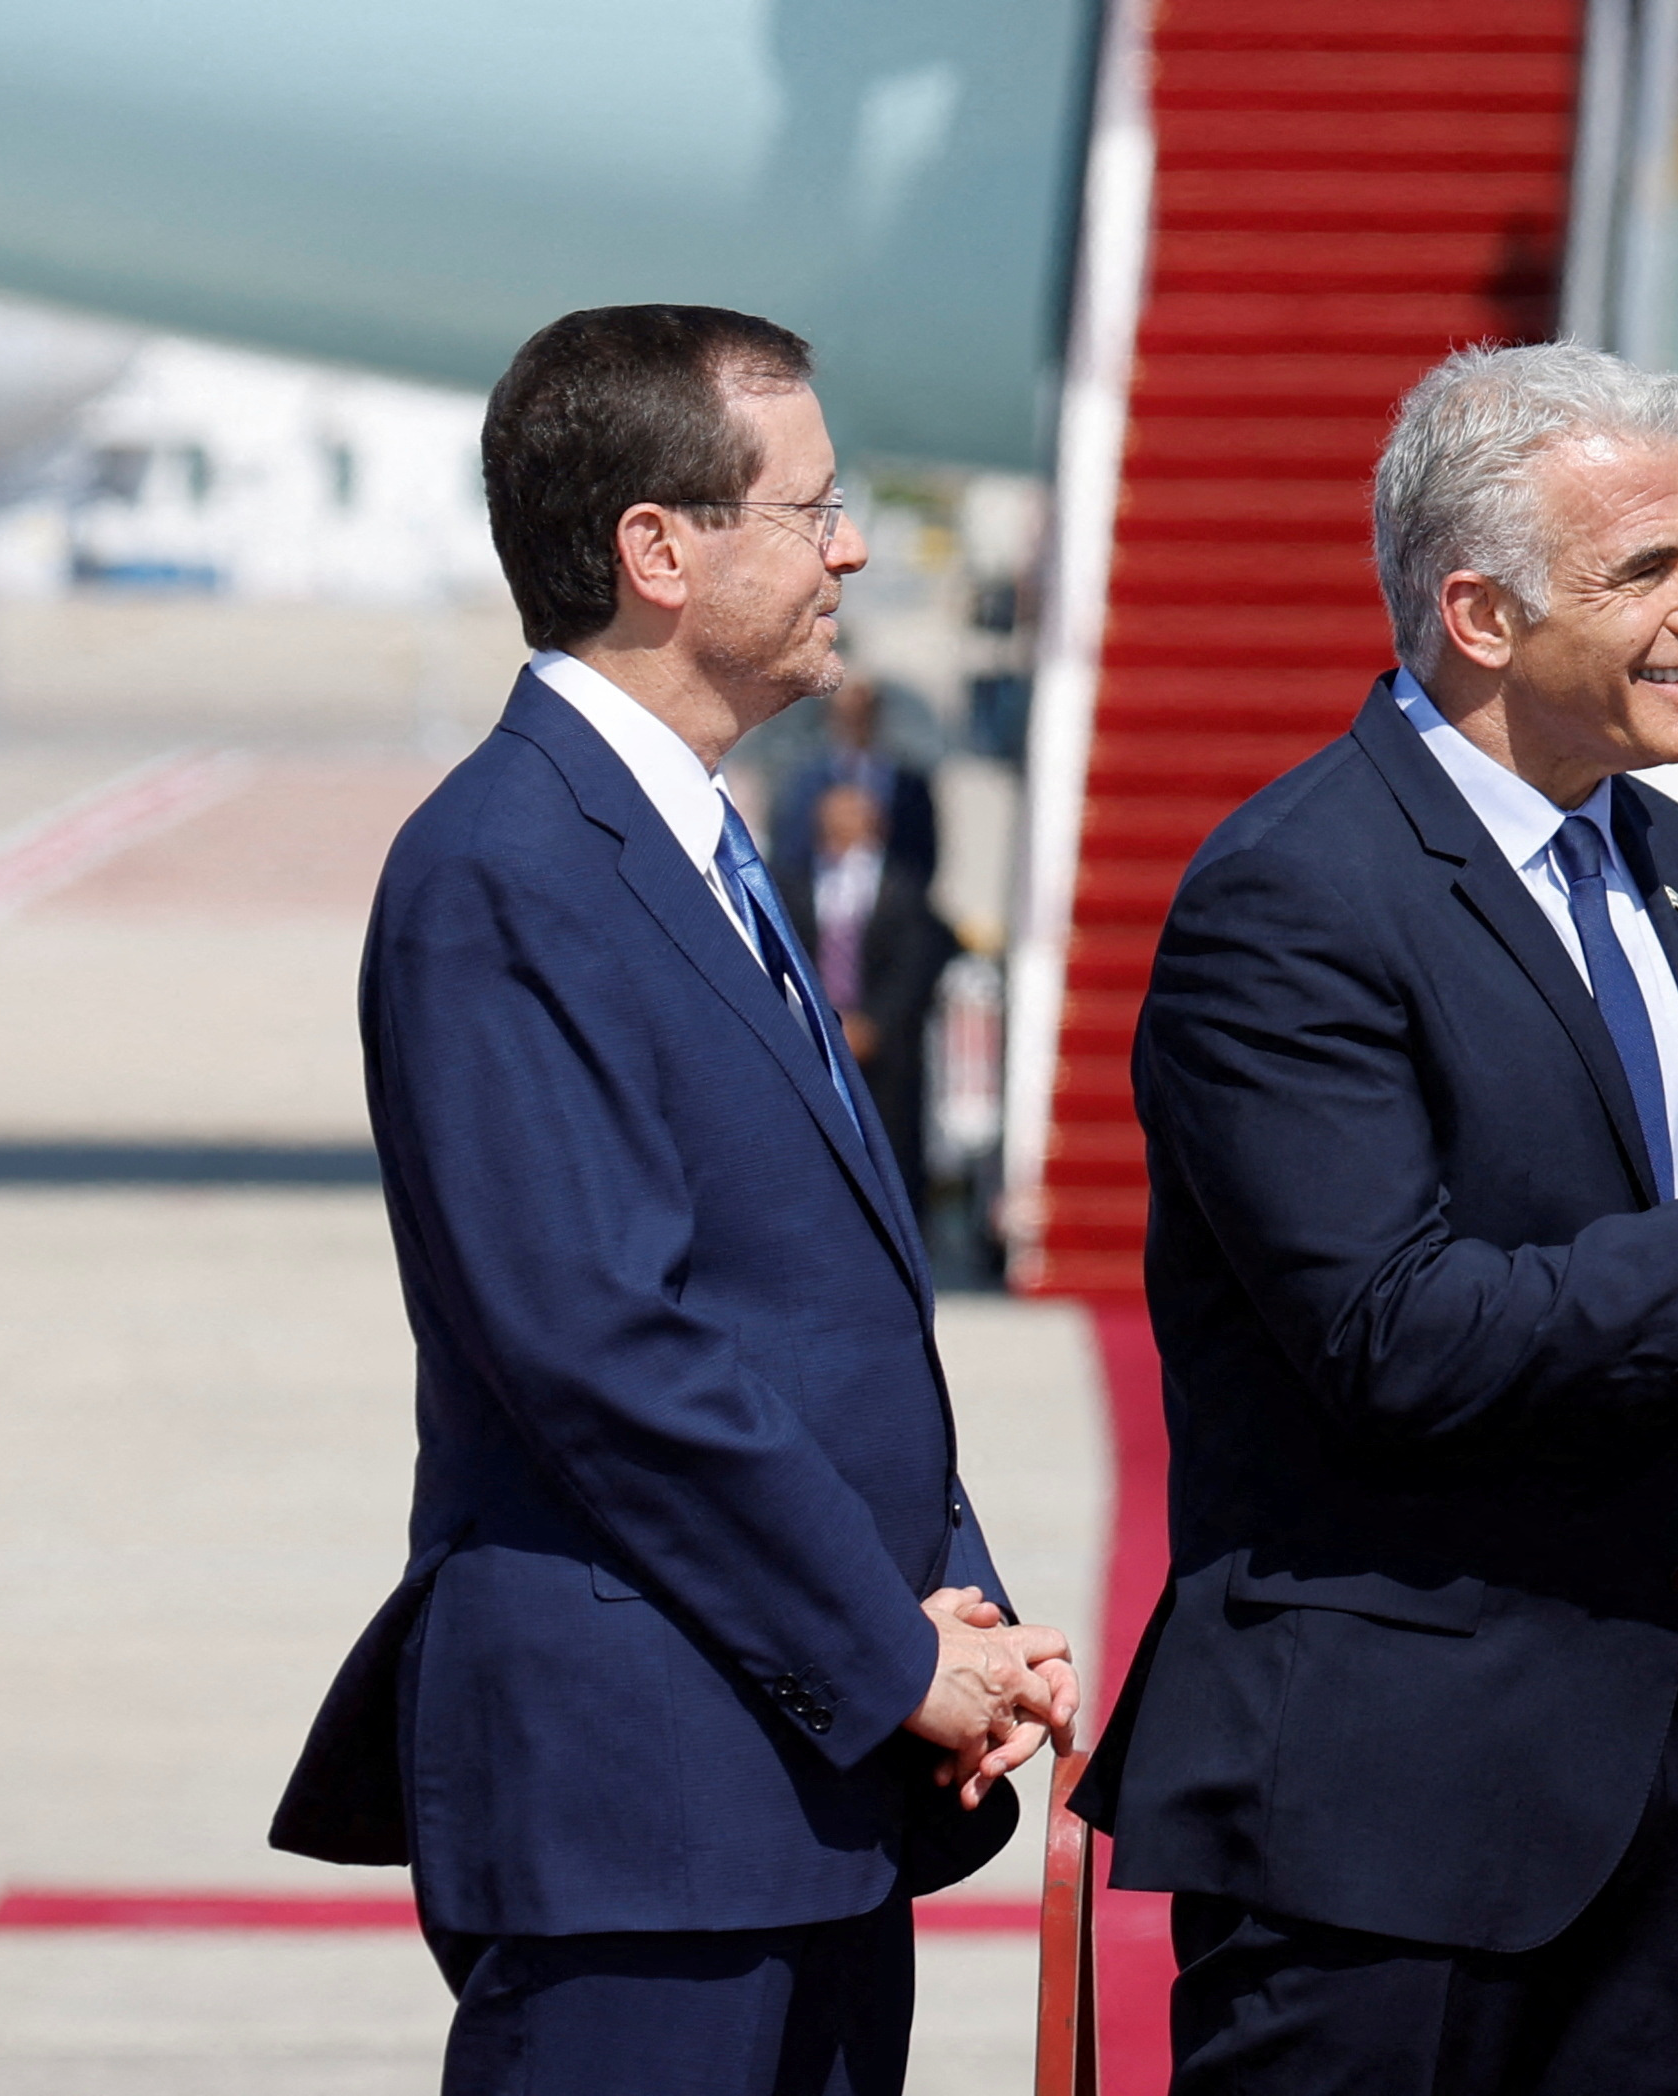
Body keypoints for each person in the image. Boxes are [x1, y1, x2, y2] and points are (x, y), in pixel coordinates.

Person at [1071, 342, 1678, 2096]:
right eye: (1649, 569)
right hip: (1377, 1837)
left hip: (1667, 1812)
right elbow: (1395, 1336)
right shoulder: (1290, 898)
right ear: (1480, 613)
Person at [267, 305, 1079, 2096]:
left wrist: (963, 1612)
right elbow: (603, 1345)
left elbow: (818, 1308)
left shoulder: (700, 844)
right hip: (647, 1814)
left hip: (803, 1778)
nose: (849, 546)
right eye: (811, 508)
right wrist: (887, 1650)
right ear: (659, 551)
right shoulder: (506, 867)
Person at [780, 780, 960, 1201]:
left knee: (890, 1155)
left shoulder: (902, 890)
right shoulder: (794, 886)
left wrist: (872, 1025)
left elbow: (913, 965)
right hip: (811, 1044)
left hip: (887, 1055)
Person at [773, 675, 939, 891]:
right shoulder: (807, 779)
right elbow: (790, 846)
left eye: (863, 713)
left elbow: (922, 852)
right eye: (846, 715)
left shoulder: (909, 784)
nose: (854, 722)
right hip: (818, 901)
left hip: (889, 904)